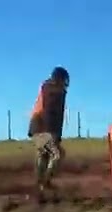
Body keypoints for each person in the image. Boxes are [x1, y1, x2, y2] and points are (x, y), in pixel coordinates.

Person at [28, 66, 69, 200]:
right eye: (64, 80)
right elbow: (51, 114)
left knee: (44, 155)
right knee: (57, 154)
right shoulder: (54, 91)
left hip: (37, 128)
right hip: (42, 128)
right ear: (59, 79)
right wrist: (54, 135)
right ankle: (44, 183)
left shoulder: (48, 88)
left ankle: (40, 187)